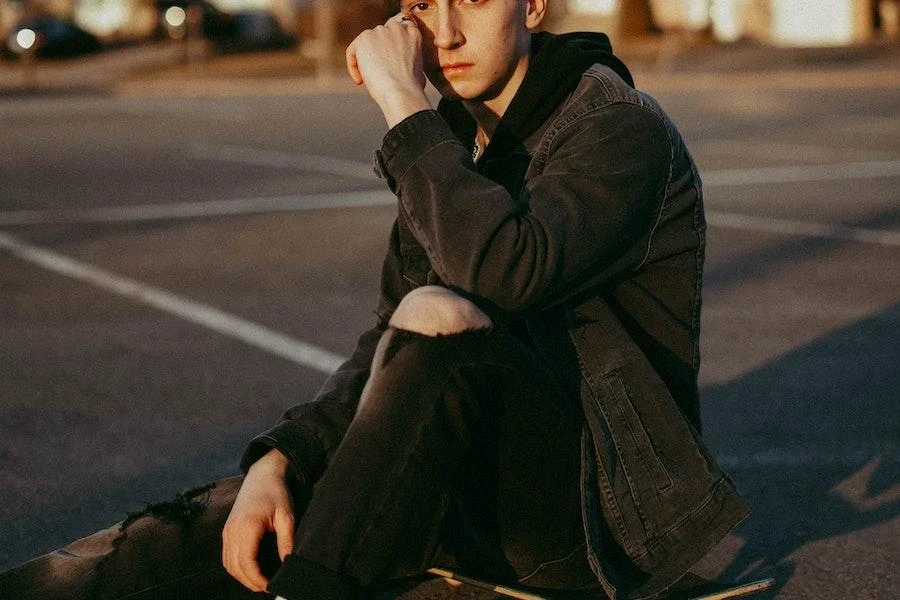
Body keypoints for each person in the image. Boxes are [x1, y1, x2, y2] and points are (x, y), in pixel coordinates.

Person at [0, 1, 748, 598]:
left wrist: (402, 102)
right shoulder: (456, 143)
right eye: (423, 4)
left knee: (439, 314)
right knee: (183, 540)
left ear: (534, 6)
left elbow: (497, 277)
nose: (446, 31)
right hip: (463, 481)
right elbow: (393, 342)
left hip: (591, 521)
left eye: (475, 1)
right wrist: (283, 459)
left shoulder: (616, 128)